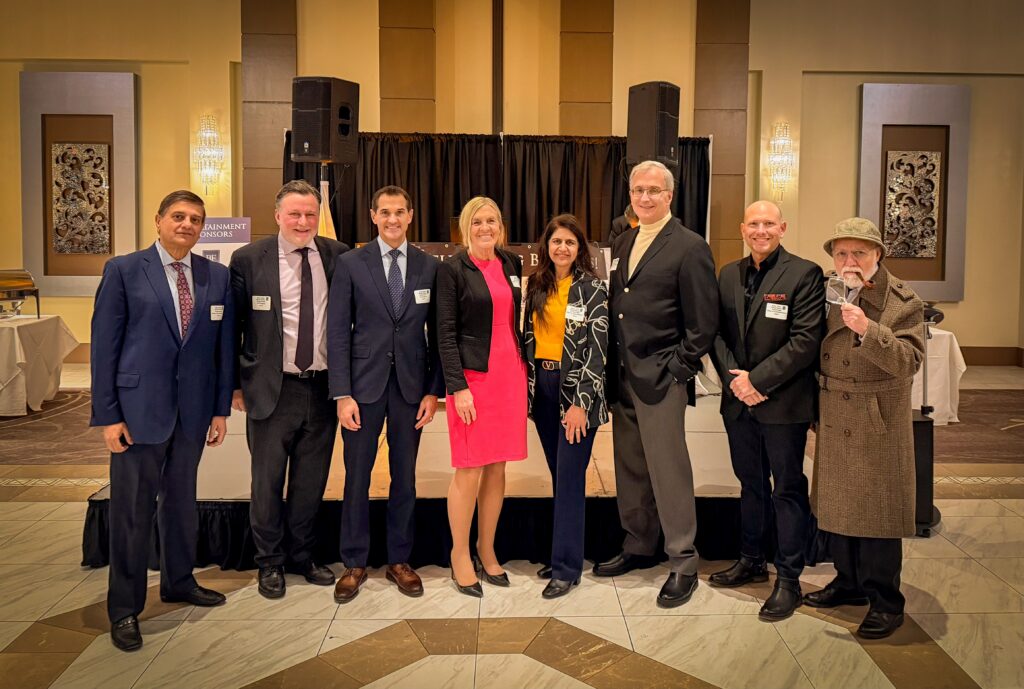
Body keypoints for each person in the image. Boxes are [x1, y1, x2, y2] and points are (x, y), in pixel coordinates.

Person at [91, 190, 235, 651]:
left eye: (195, 219)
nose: (187, 225)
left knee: (180, 504)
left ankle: (178, 581)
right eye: (178, 216)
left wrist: (218, 408)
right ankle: (125, 609)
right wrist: (109, 416)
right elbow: (104, 350)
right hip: (137, 415)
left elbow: (221, 352)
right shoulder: (124, 271)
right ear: (158, 221)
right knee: (132, 513)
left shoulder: (217, 278)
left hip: (192, 415)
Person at [594, 160, 719, 609]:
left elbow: (704, 324)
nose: (644, 198)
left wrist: (678, 369)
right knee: (630, 467)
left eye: (653, 191)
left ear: (670, 195)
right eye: (637, 190)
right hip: (623, 376)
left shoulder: (689, 246)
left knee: (668, 471)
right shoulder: (624, 240)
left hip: (662, 377)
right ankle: (638, 544)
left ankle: (683, 560)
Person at [229, 180, 349, 599]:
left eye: (310, 214)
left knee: (309, 482)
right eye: (295, 214)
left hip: (321, 388)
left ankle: (302, 556)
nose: (303, 221)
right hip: (269, 388)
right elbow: (233, 328)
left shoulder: (338, 255)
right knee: (266, 482)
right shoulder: (248, 260)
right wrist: (234, 386)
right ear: (278, 215)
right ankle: (270, 563)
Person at [805, 217, 924, 639]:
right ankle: (848, 581)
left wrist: (867, 329)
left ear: (877, 254)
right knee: (838, 508)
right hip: (836, 412)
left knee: (877, 512)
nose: (849, 261)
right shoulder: (827, 291)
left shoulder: (901, 301)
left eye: (858, 252)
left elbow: (909, 361)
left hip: (876, 418)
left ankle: (886, 602)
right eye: (841, 253)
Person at [709, 200, 825, 621]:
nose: (761, 230)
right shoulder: (727, 274)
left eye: (769, 223)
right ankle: (751, 559)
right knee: (750, 485)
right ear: (742, 228)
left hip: (784, 404)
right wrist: (736, 382)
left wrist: (756, 381)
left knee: (787, 488)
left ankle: (789, 579)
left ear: (783, 228)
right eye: (754, 223)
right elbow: (715, 335)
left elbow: (805, 341)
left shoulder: (804, 273)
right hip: (739, 404)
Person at [327, 186, 444, 603]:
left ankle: (399, 559)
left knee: (405, 477)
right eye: (385, 213)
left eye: (400, 212)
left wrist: (434, 392)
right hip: (362, 387)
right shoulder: (351, 263)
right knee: (356, 476)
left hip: (411, 389)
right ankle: (354, 561)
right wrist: (342, 392)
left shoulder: (429, 266)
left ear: (411, 216)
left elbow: (437, 335)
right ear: (373, 216)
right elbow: (337, 332)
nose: (393, 219)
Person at [436, 196, 528, 597]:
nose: (485, 228)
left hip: (509, 375)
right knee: (470, 468)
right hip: (474, 380)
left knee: (497, 469)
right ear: (465, 227)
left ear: (501, 226)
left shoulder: (511, 264)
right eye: (477, 221)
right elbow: (444, 334)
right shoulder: (454, 270)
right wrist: (458, 387)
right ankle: (459, 554)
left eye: (491, 220)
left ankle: (486, 549)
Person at [524, 214, 609, 599]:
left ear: (580, 249)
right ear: (547, 246)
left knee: (572, 477)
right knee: (560, 475)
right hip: (541, 387)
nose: (562, 248)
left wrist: (580, 403)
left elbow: (598, 351)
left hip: (575, 393)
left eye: (570, 243)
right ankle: (564, 551)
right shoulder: (536, 285)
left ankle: (566, 568)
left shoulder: (593, 289)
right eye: (556, 242)